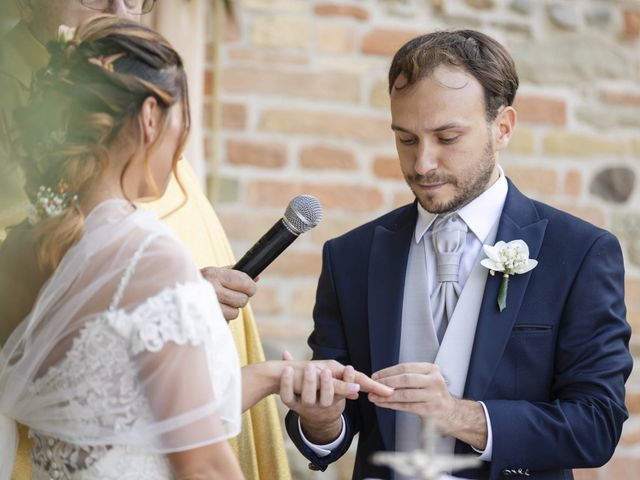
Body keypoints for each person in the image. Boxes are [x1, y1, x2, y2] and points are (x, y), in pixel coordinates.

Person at [0, 16, 393, 480]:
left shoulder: (30, 244)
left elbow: (132, 411)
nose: (183, 144)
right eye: (184, 120)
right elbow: (204, 465)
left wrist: (272, 378)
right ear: (150, 117)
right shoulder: (147, 256)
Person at [284, 29, 633, 480]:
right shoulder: (350, 256)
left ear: (502, 127)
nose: (423, 163)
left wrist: (459, 415)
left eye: (447, 137)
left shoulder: (581, 252)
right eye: (406, 140)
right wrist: (322, 420)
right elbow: (337, 425)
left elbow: (596, 425)